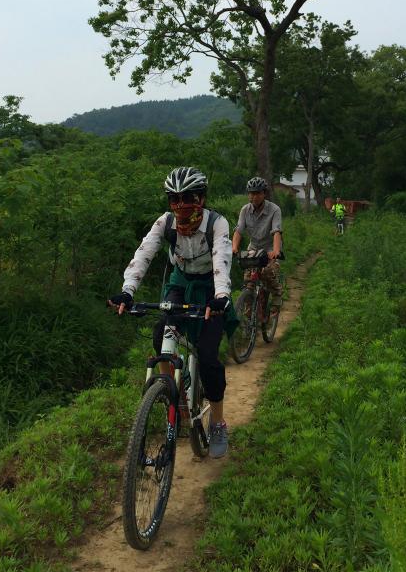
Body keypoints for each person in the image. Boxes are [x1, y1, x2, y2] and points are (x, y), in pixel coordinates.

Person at [108, 166, 234, 458]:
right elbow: (144, 253)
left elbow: (222, 260)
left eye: (187, 197)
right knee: (160, 335)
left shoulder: (217, 223)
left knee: (208, 356)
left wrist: (221, 296)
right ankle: (171, 395)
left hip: (210, 288)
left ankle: (217, 422)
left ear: (201, 198)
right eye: (174, 199)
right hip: (180, 283)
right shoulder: (165, 223)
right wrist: (128, 291)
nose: (180, 205)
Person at [232, 177, 283, 325]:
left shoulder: (274, 210)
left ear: (264, 194)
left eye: (257, 193)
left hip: (270, 248)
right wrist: (234, 247)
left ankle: (277, 294)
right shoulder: (245, 210)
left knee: (268, 272)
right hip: (253, 248)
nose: (253, 196)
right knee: (249, 280)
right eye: (251, 193)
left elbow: (276, 232)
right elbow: (239, 231)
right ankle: (249, 321)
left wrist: (276, 251)